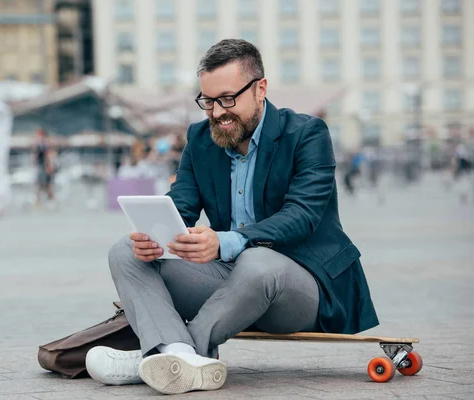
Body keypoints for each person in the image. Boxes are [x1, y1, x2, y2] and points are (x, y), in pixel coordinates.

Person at [85, 39, 379, 395]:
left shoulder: (306, 134)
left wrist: (225, 240)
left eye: (227, 99)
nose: (216, 112)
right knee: (124, 251)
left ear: (260, 89)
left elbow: (303, 215)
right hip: (230, 284)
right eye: (207, 101)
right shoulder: (200, 138)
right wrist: (155, 234)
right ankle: (176, 354)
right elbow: (183, 203)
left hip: (305, 288)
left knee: (257, 262)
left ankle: (149, 358)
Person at [32, 128, 55, 206]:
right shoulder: (40, 144)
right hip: (41, 166)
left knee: (46, 184)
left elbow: (49, 155)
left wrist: (49, 166)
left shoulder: (46, 144)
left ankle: (49, 200)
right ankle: (39, 201)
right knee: (39, 184)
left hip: (45, 166)